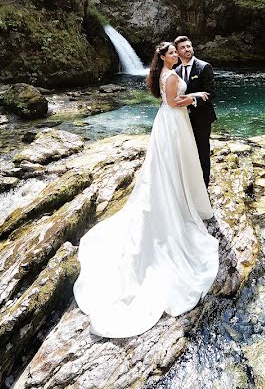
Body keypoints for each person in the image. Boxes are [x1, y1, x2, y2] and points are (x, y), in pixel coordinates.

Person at [72, 42, 219, 338]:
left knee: (166, 165)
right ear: (164, 57)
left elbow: (166, 101)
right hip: (174, 121)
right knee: (176, 163)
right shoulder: (173, 75)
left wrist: (186, 96)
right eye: (173, 53)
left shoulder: (162, 74)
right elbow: (176, 102)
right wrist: (194, 97)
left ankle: (176, 195)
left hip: (165, 123)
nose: (177, 55)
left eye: (178, 53)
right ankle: (179, 201)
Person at [173, 35, 216, 186]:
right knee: (187, 151)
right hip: (183, 118)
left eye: (189, 46)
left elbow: (211, 93)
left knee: (203, 152)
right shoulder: (176, 70)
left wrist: (192, 99)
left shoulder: (204, 67)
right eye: (183, 48)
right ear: (177, 52)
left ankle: (204, 186)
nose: (187, 49)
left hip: (202, 117)